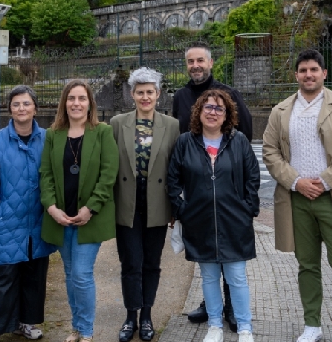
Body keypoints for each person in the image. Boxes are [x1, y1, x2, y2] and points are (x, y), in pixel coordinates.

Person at [262, 49, 332, 342]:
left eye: (314, 69)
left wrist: (324, 181)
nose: (308, 74)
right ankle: (312, 325)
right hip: (297, 199)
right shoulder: (281, 110)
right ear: (295, 75)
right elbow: (270, 152)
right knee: (307, 265)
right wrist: (296, 181)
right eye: (303, 70)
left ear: (324, 73)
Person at [167, 89, 260, 342]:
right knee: (208, 276)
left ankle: (244, 328)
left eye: (219, 108)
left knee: (237, 277)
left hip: (234, 222)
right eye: (208, 107)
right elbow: (173, 178)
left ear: (227, 114)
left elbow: (252, 176)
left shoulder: (238, 140)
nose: (213, 112)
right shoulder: (186, 141)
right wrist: (181, 209)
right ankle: (215, 325)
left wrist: (248, 207)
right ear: (199, 111)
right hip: (199, 221)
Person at [0, 86, 56, 342]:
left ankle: (27, 322)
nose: (22, 108)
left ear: (36, 108)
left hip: (39, 223)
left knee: (34, 277)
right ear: (10, 109)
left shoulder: (48, 139)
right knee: (5, 279)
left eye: (26, 104)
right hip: (7, 223)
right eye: (16, 104)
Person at [40, 79, 119, 342]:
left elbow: (109, 175)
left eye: (81, 98)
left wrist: (91, 208)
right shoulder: (53, 134)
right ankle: (75, 327)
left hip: (89, 219)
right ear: (64, 103)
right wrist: (51, 208)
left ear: (89, 103)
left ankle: (85, 330)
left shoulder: (102, 132)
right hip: (61, 218)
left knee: (82, 275)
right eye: (71, 98)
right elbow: (46, 174)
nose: (76, 103)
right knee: (70, 274)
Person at [109, 68, 180, 342]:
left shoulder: (171, 125)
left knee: (151, 263)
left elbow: (176, 170)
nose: (145, 96)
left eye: (150, 91)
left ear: (158, 94)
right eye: (140, 92)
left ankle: (147, 315)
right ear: (132, 94)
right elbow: (110, 166)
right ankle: (130, 316)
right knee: (130, 262)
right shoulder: (117, 123)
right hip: (127, 203)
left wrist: (175, 208)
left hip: (157, 205)